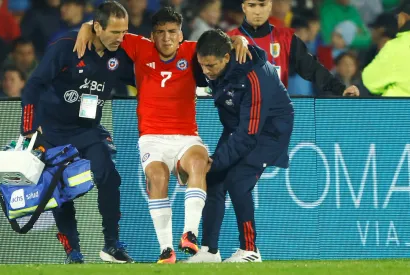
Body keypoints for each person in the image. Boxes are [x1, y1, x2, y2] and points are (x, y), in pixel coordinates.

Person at [74, 7, 250, 264]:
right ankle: (167, 250)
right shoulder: (138, 47)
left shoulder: (193, 51)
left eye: (172, 32)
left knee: (200, 162)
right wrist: (84, 28)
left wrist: (241, 39)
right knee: (157, 177)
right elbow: (100, 26)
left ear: (181, 35)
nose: (167, 38)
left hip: (186, 136)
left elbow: (226, 40)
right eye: (160, 33)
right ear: (152, 36)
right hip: (152, 137)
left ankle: (190, 232)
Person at [20, 1, 135, 264]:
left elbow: (146, 75)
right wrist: (28, 128)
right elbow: (34, 85)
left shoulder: (120, 55)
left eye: (124, 32)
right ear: (97, 27)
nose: (121, 38)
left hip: (88, 130)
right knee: (58, 191)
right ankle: (73, 251)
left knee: (109, 177)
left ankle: (112, 245)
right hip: (53, 131)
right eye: (115, 32)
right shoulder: (66, 48)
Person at [187, 29, 294, 263]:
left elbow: (249, 134)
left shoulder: (254, 77)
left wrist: (215, 160)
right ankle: (209, 251)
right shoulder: (218, 55)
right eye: (202, 65)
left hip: (269, 132)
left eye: (211, 66)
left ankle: (250, 250)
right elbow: (219, 39)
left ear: (227, 58)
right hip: (238, 126)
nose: (205, 72)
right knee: (214, 179)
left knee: (237, 182)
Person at [227, 0, 360, 97]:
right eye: (252, 5)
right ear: (244, 7)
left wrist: (340, 88)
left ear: (269, 6)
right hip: (239, 115)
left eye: (262, 5)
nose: (257, 10)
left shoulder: (286, 39)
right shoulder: (228, 40)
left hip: (274, 115)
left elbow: (311, 68)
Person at [362, 1, 410, 97]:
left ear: (404, 17)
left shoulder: (396, 46)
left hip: (400, 109)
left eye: (398, 16)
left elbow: (369, 80)